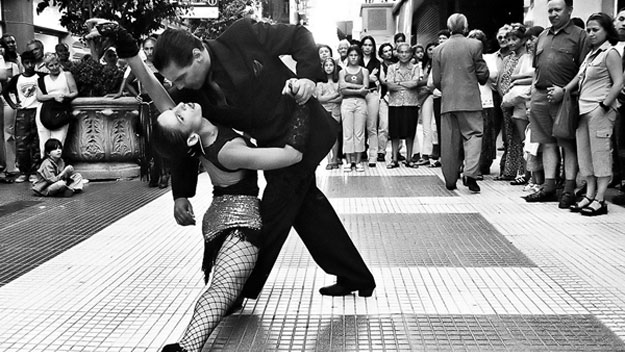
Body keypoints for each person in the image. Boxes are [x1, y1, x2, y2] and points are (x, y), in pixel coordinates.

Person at [86, 18, 376, 299]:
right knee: (306, 207)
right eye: (176, 81)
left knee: (272, 216)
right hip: (275, 148)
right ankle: (356, 276)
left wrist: (307, 78)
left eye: (182, 76)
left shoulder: (243, 33)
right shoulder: (193, 94)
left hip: (303, 133)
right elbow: (184, 136)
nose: (181, 85)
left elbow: (299, 36)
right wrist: (181, 193)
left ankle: (235, 290)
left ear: (197, 55)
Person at [151, 102, 303, 352]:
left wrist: (133, 60)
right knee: (222, 290)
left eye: (176, 109)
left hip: (219, 216)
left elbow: (160, 96)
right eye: (178, 116)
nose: (179, 105)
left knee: (227, 290)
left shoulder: (198, 128)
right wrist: (302, 106)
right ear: (189, 138)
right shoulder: (226, 150)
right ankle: (185, 348)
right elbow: (292, 156)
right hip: (240, 222)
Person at [523, 0, 589, 209]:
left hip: (565, 98)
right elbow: (537, 68)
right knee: (547, 143)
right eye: (549, 10)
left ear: (569, 10)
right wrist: (533, 91)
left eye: (557, 10)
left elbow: (584, 71)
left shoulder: (580, 36)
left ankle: (569, 189)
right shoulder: (542, 36)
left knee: (567, 143)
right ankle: (548, 186)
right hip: (541, 96)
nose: (552, 14)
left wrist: (565, 91)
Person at [563, 13, 622, 215]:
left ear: (607, 31)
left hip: (599, 110)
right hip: (582, 110)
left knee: (601, 154)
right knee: (585, 155)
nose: (590, 34)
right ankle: (589, 194)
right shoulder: (590, 54)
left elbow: (618, 83)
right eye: (588, 30)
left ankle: (600, 198)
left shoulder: (610, 53)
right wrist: (563, 91)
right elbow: (578, 78)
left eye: (595, 29)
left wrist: (604, 105)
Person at [431, 13, 489, 192]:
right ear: (466, 27)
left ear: (449, 29)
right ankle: (470, 173)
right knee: (473, 135)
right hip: (470, 100)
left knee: (449, 141)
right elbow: (482, 74)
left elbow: (436, 80)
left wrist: (448, 89)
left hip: (448, 101)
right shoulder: (475, 44)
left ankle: (450, 179)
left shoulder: (438, 49)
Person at [2, 50, 43, 183]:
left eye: (32, 62)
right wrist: (13, 105)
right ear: (23, 63)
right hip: (23, 112)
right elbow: (5, 92)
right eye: (27, 63)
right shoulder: (17, 78)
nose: (30, 65)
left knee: (36, 143)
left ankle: (34, 171)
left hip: (37, 110)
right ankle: (24, 171)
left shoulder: (41, 77)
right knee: (22, 144)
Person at [385, 42, 421, 169]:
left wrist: (399, 82)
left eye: (406, 52)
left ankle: (409, 158)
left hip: (411, 103)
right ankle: (394, 159)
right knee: (394, 132)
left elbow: (415, 83)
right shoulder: (391, 68)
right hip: (395, 104)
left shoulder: (415, 67)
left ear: (411, 54)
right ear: (397, 53)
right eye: (401, 52)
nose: (404, 54)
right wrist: (406, 83)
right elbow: (390, 85)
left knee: (410, 132)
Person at [35, 53, 78, 156]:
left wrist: (65, 96)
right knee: (43, 141)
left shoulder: (66, 75)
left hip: (61, 110)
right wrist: (54, 96)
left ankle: (57, 168)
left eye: (56, 64)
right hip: (45, 111)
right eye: (51, 65)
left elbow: (74, 92)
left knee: (59, 141)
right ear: (47, 67)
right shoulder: (42, 79)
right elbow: (39, 97)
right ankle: (45, 167)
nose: (54, 67)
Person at [339, 45, 369, 172]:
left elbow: (365, 89)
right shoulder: (343, 72)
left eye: (355, 55)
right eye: (351, 55)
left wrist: (348, 86)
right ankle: (348, 160)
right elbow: (342, 90)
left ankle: (357, 161)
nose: (353, 57)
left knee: (359, 132)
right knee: (347, 132)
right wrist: (357, 88)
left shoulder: (364, 71)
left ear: (359, 56)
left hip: (361, 103)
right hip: (347, 103)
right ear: (348, 56)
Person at [316, 57, 342, 169]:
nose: (328, 67)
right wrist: (333, 96)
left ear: (334, 67)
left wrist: (328, 98)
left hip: (336, 110)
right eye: (326, 65)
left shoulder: (338, 82)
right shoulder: (320, 83)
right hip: (324, 111)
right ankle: (328, 160)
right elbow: (319, 98)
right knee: (326, 136)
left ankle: (334, 159)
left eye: (331, 65)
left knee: (334, 135)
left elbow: (340, 97)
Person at [359, 36, 381, 167]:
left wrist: (364, 77)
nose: (367, 47)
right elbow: (354, 78)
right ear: (361, 46)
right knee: (360, 126)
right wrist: (369, 76)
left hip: (372, 94)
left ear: (373, 47)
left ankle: (373, 156)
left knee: (372, 127)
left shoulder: (377, 62)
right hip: (359, 95)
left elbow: (375, 79)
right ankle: (361, 153)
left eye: (370, 45)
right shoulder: (356, 60)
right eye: (365, 45)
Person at [377, 42, 394, 162]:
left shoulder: (398, 64)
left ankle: (397, 152)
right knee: (384, 125)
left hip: (398, 98)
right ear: (381, 55)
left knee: (397, 126)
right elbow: (383, 80)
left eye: (390, 50)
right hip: (384, 98)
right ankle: (381, 151)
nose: (388, 53)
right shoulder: (381, 65)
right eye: (385, 51)